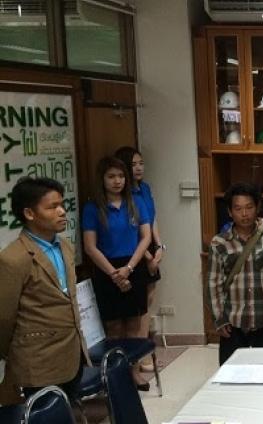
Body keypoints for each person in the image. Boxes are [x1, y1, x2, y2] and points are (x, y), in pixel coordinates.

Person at [0, 177, 90, 402]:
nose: (61, 211)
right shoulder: (13, 258)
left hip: (72, 355)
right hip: (38, 362)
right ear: (29, 214)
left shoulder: (65, 246)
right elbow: (4, 317)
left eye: (62, 204)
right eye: (52, 207)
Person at [82, 156, 152, 388]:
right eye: (111, 176)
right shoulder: (93, 208)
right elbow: (90, 247)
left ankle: (133, 371)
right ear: (102, 179)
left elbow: (146, 238)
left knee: (133, 325)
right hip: (106, 270)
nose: (117, 181)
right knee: (113, 328)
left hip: (133, 266)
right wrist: (115, 274)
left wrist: (129, 268)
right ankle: (116, 376)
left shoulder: (136, 202)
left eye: (121, 176)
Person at [206, 182, 263, 365]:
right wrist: (219, 318)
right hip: (232, 321)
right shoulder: (219, 243)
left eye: (249, 207)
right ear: (229, 211)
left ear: (257, 207)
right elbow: (214, 283)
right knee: (231, 377)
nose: (244, 214)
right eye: (238, 209)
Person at [115, 146, 162, 372]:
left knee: (149, 301)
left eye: (141, 163)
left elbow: (152, 220)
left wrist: (160, 246)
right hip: (136, 251)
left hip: (151, 246)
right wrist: (148, 255)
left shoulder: (144, 189)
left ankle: (145, 352)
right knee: (139, 308)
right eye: (133, 164)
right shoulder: (125, 197)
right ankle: (140, 358)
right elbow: (133, 231)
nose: (139, 168)